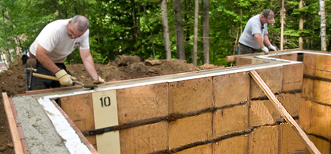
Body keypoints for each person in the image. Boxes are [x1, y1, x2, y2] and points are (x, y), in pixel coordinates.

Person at [25, 15, 104, 90]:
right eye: (71, 32)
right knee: (41, 96)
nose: (73, 37)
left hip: (57, 62)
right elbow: (40, 54)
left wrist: (95, 78)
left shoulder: (84, 33)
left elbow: (86, 57)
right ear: (69, 23)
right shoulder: (55, 30)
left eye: (77, 36)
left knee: (65, 93)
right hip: (39, 62)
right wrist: (59, 72)